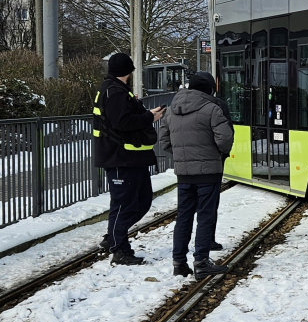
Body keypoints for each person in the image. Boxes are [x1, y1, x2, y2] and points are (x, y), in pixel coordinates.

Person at [159, 71, 234, 278]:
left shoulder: (172, 111)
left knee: (183, 217)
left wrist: (184, 156)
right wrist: (217, 155)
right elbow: (225, 139)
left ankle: (179, 262)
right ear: (210, 89)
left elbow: (164, 141)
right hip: (208, 172)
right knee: (205, 216)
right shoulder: (212, 108)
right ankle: (201, 262)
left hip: (184, 173)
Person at [93, 52, 164, 265]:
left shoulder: (116, 89)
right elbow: (122, 122)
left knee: (142, 201)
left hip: (130, 156)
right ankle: (119, 249)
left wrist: (146, 114)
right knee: (125, 204)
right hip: (120, 157)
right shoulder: (114, 92)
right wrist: (150, 117)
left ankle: (114, 237)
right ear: (129, 71)